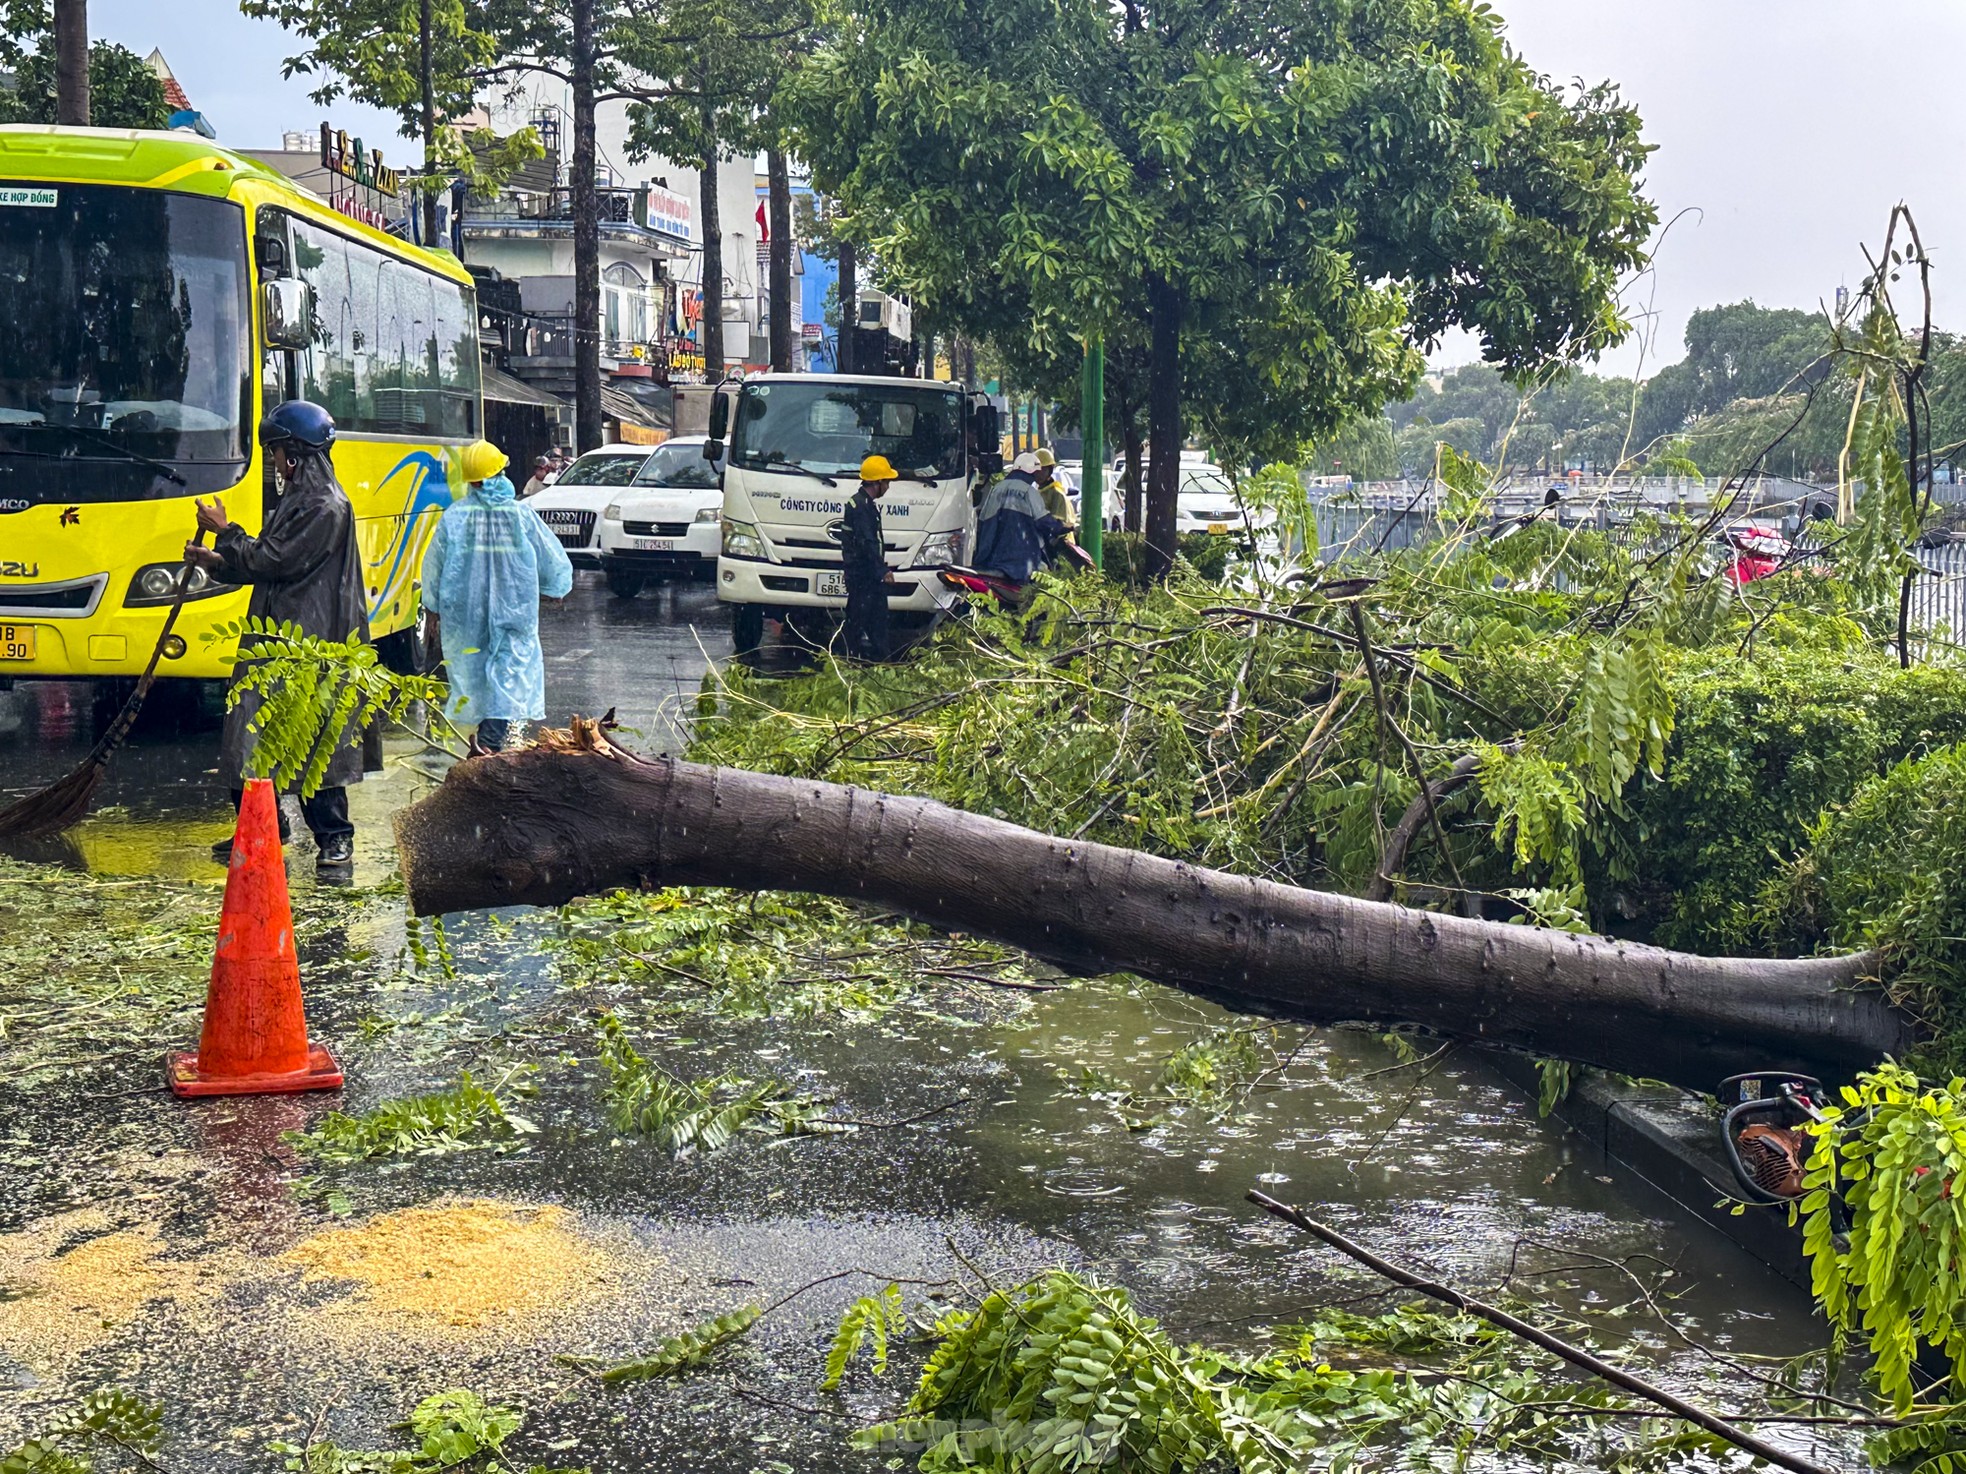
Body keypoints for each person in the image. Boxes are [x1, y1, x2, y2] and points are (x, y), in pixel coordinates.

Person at [184, 400, 367, 871]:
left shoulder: (325, 506)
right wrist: (217, 562)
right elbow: (266, 561)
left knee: (314, 738)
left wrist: (225, 532)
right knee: (246, 736)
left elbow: (275, 560)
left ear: (295, 453)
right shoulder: (297, 502)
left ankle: (333, 836)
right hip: (274, 634)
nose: (272, 461)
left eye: (275, 451)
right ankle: (264, 824)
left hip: (310, 640)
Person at [421, 440, 575, 751]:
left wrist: (433, 608)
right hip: (514, 610)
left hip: (465, 613)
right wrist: (554, 589)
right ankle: (489, 741)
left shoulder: (455, 517)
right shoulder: (519, 516)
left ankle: (487, 739)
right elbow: (550, 558)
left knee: (473, 672)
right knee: (509, 672)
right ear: (499, 474)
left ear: (472, 481)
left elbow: (433, 566)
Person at [974, 451, 1064, 584]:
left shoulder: (997, 489)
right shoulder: (1030, 492)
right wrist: (1061, 526)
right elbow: (1044, 522)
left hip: (994, 562)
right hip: (1024, 564)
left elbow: (983, 521)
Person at [840, 454, 897, 662]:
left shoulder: (862, 504)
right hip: (865, 577)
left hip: (863, 575)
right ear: (878, 482)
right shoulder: (862, 508)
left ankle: (858, 662)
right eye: (887, 482)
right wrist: (882, 571)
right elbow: (867, 542)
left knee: (863, 622)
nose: (889, 487)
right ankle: (871, 664)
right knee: (870, 623)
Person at [1032, 448, 1076, 532]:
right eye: (1037, 470)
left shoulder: (1057, 494)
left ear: (1050, 470)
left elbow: (1058, 526)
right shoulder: (1037, 492)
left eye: (1043, 470)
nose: (1039, 474)